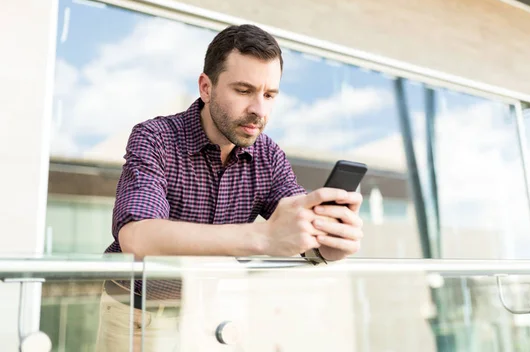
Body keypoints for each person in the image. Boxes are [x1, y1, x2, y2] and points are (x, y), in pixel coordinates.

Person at [95, 24, 364, 351]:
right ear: (206, 88)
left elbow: (293, 223)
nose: (259, 110)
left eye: (269, 95)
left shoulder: (269, 156)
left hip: (216, 313)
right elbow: (137, 238)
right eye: (243, 90)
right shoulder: (156, 138)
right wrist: (264, 237)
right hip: (138, 310)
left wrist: (326, 241)